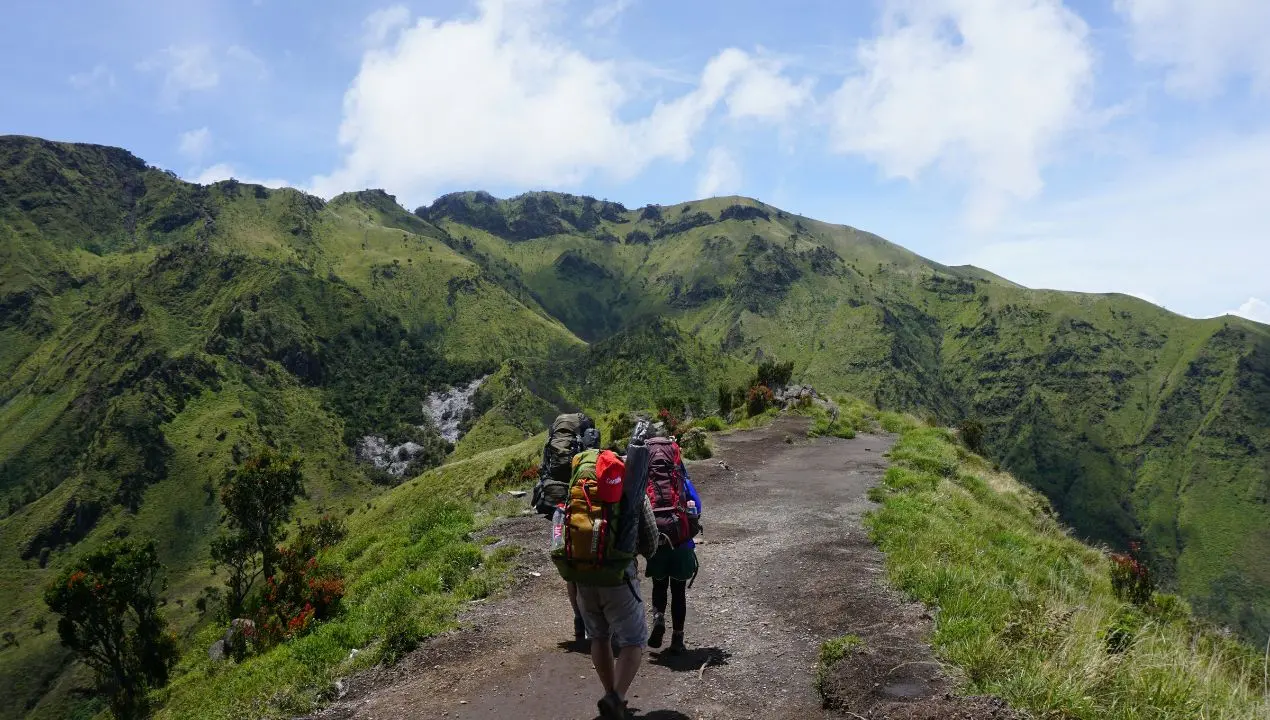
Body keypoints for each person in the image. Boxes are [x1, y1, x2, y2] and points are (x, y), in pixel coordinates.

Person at [552, 435, 659, 719]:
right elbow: (650, 541)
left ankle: (613, 697)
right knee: (633, 641)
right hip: (618, 578)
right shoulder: (631, 488)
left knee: (598, 636)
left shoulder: (577, 489)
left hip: (583, 576)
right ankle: (617, 695)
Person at [531, 413, 600, 646]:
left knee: (570, 565)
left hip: (556, 503)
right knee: (591, 557)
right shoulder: (586, 440)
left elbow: (543, 471)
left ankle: (578, 619)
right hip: (581, 505)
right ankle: (595, 619)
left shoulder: (552, 440)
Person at [644, 443, 701, 654]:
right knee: (678, 591)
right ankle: (677, 639)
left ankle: (658, 617)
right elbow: (697, 505)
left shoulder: (648, 481)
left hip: (657, 540)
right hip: (681, 543)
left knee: (659, 585)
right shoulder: (681, 480)